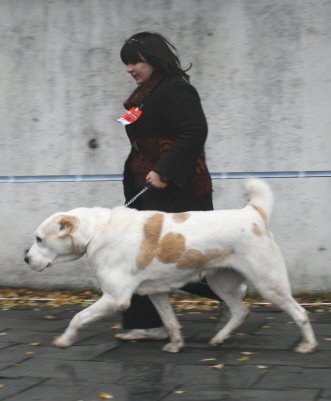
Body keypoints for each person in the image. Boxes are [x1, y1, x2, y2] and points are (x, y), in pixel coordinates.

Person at [116, 31, 219, 341]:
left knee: (174, 259)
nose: (129, 68)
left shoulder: (176, 90)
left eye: (134, 61)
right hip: (146, 188)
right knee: (137, 254)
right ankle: (145, 323)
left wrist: (164, 170)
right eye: (126, 63)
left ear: (154, 58)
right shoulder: (145, 95)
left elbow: (194, 131)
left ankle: (229, 292)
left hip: (177, 190)